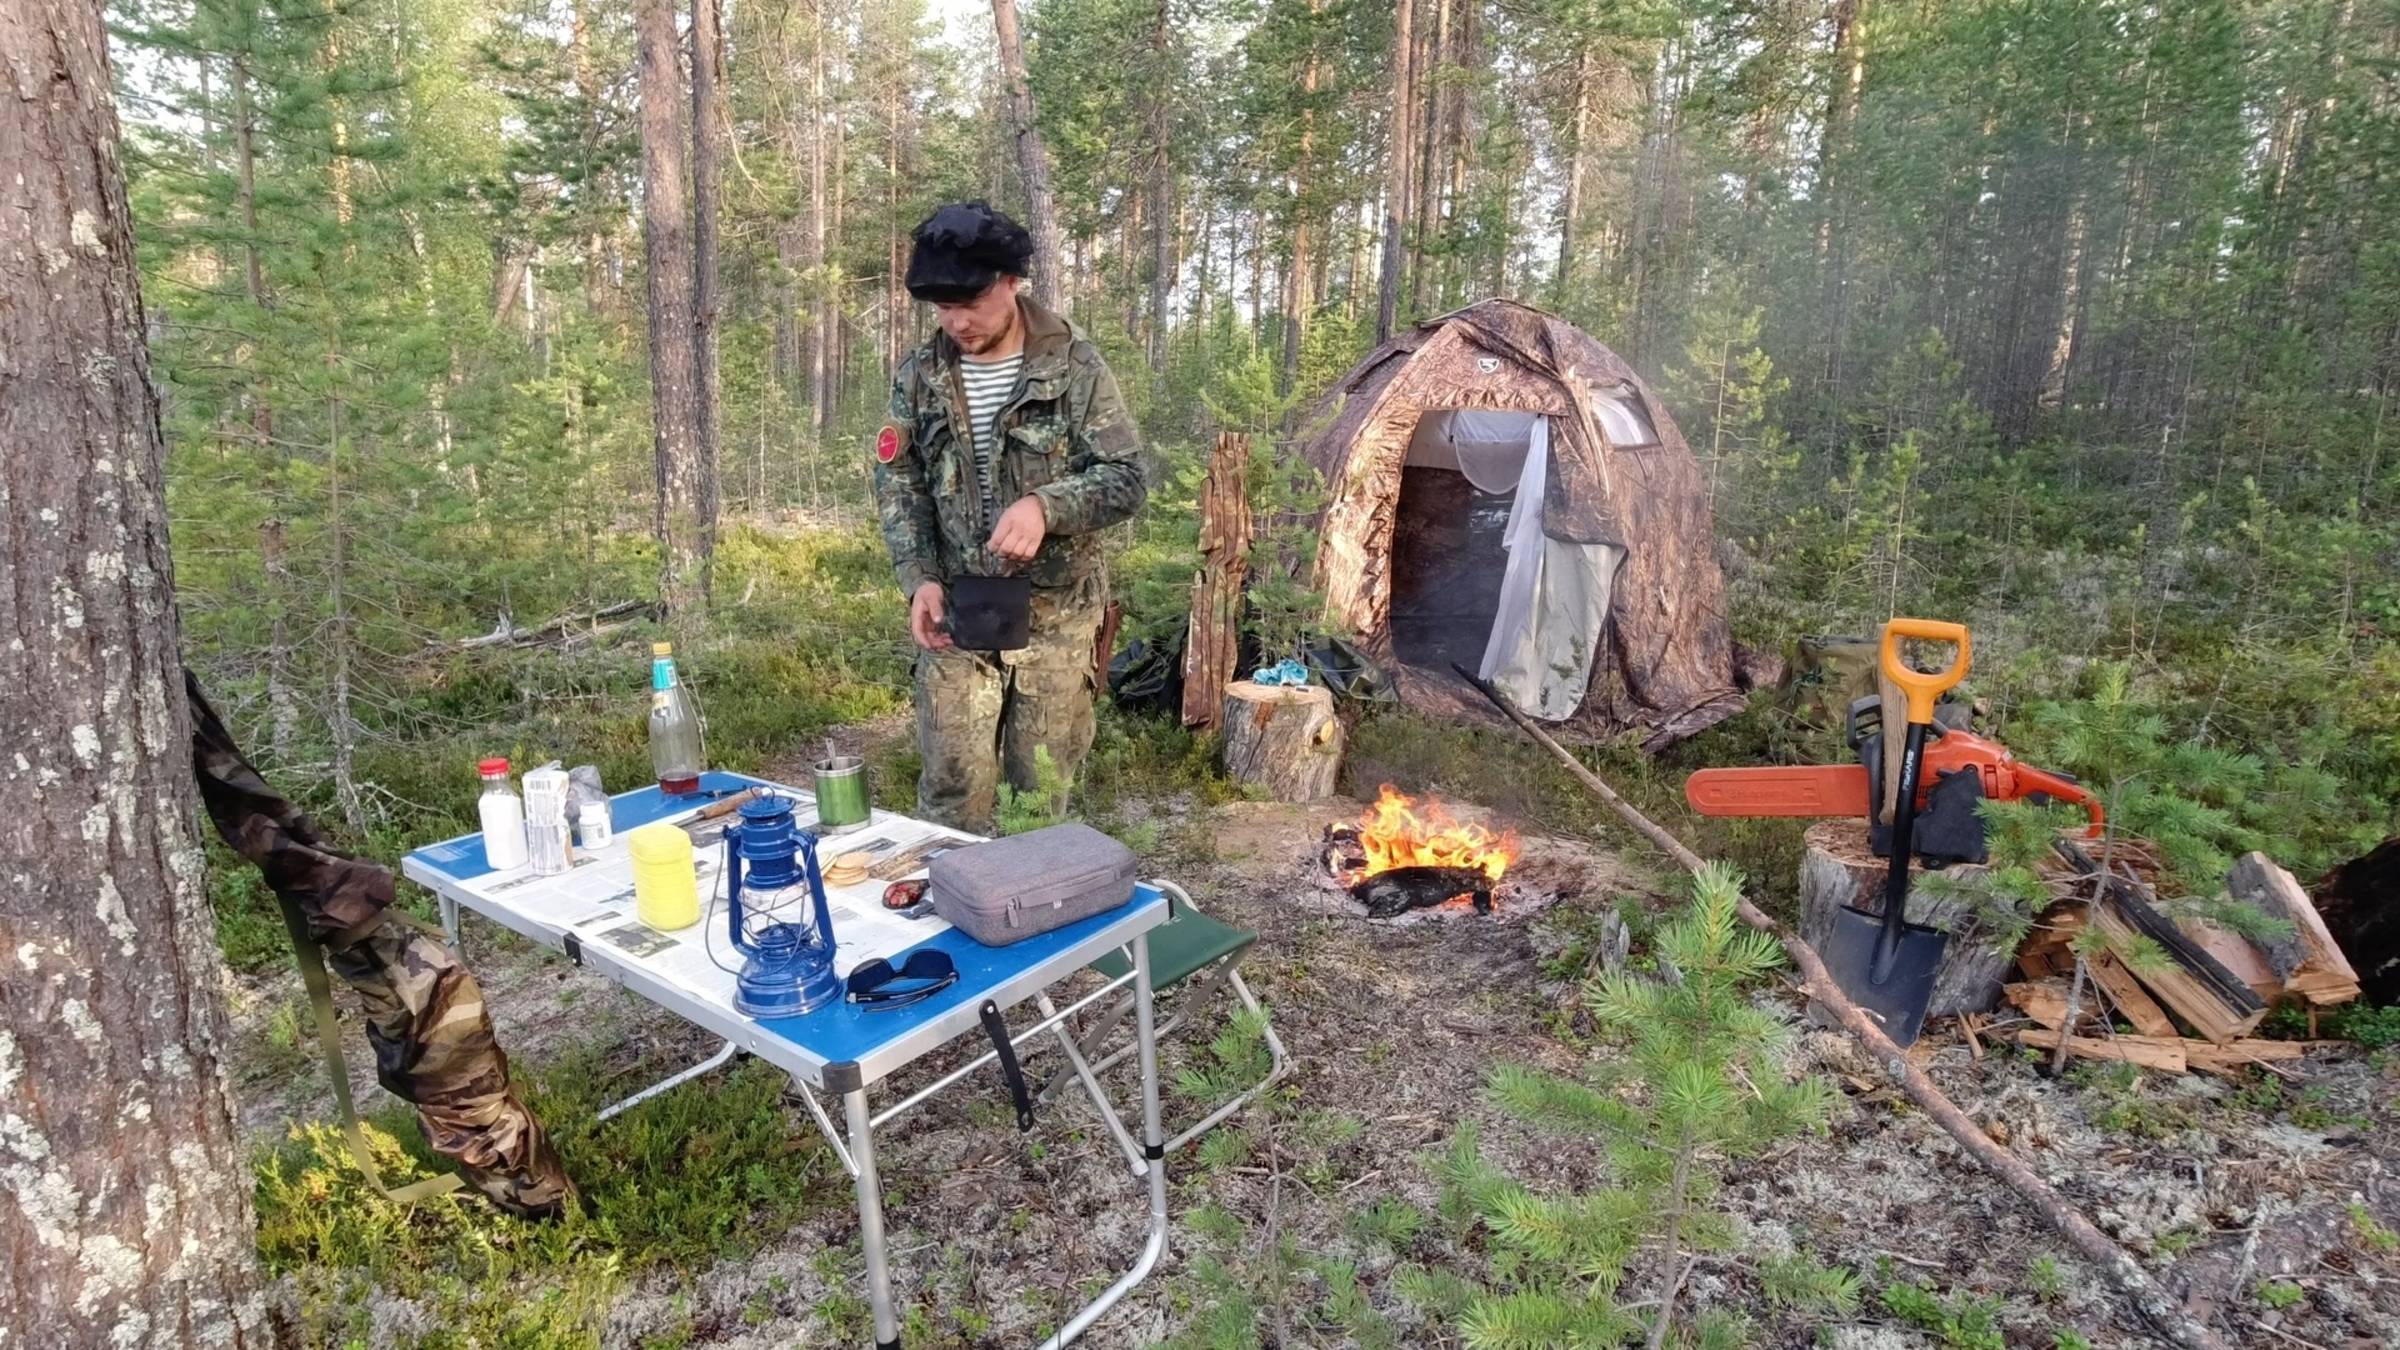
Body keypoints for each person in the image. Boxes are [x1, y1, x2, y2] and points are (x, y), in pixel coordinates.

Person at [872, 202, 1146, 833]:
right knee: (950, 795)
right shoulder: (921, 376)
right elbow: (899, 480)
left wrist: (1047, 506)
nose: (958, 322)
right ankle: (946, 919)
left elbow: (1128, 479)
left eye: (970, 302)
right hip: (956, 617)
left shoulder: (1074, 369)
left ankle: (1031, 919)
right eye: (942, 308)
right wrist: (918, 577)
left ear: (1010, 282)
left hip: (1053, 618)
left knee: (1038, 801)